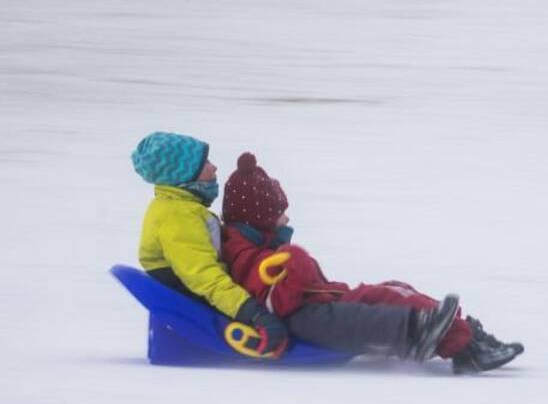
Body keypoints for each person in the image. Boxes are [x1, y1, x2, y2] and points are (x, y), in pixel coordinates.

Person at [132, 131, 458, 362]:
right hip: (239, 306)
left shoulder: (186, 211)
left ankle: (433, 322)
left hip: (248, 295)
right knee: (322, 319)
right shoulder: (177, 219)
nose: (214, 168)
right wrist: (256, 314)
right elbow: (205, 280)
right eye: (205, 164)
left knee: (335, 302)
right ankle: (413, 331)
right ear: (182, 174)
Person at [219, 152, 523, 373]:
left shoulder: (261, 244)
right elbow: (276, 303)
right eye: (278, 213)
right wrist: (296, 260)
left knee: (392, 289)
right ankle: (458, 343)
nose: (286, 218)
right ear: (258, 218)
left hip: (322, 298)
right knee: (375, 313)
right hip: (304, 316)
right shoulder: (244, 253)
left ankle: (466, 336)